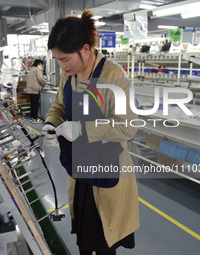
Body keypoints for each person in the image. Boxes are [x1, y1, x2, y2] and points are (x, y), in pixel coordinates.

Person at [43, 9, 139, 255]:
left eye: (66, 60)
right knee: (84, 241)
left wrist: (83, 129)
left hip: (107, 172)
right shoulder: (69, 77)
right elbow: (58, 107)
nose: (63, 66)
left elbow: (127, 127)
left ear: (85, 49)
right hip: (80, 171)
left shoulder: (113, 76)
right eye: (58, 61)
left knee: (105, 241)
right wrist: (50, 124)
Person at [27, 59, 46, 123]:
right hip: (35, 89)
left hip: (30, 89)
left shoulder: (32, 69)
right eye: (42, 64)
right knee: (36, 104)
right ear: (40, 64)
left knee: (32, 104)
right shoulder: (38, 69)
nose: (42, 66)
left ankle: (32, 117)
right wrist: (44, 83)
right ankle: (35, 118)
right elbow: (40, 78)